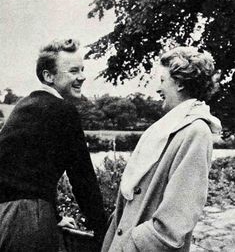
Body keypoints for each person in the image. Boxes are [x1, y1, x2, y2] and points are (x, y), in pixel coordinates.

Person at [101, 46, 222, 252]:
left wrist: (132, 244)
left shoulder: (196, 131)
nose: (158, 89)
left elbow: (179, 215)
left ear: (180, 83)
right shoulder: (167, 127)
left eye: (163, 80)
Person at [0, 39, 106, 252]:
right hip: (28, 221)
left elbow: (21, 174)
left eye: (82, 70)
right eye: (73, 71)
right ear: (49, 76)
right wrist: (104, 229)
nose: (82, 77)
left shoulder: (24, 106)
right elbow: (83, 179)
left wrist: (55, 216)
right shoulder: (62, 111)